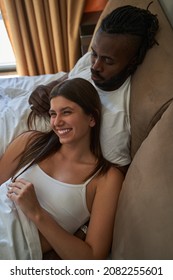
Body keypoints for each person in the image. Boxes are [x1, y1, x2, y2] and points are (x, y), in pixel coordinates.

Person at [0, 78, 124, 260]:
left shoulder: (105, 179)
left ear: (91, 118)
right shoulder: (30, 142)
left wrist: (37, 212)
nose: (57, 122)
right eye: (52, 114)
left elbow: (93, 258)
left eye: (66, 112)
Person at [28, 4, 159, 170]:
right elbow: (67, 77)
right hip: (19, 109)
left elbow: (113, 174)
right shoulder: (99, 57)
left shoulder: (113, 117)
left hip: (24, 135)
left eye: (107, 61)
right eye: (94, 54)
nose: (95, 66)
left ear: (132, 62)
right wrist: (44, 90)